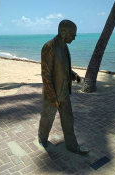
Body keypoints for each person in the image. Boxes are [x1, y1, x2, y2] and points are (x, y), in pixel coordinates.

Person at [38, 20, 90, 155]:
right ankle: (42, 138)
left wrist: (74, 75)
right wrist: (52, 96)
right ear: (63, 33)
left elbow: (63, 67)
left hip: (64, 93)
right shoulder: (49, 47)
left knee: (68, 120)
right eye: (73, 35)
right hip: (52, 94)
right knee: (47, 119)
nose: (74, 37)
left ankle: (72, 146)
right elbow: (46, 75)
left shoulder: (64, 46)